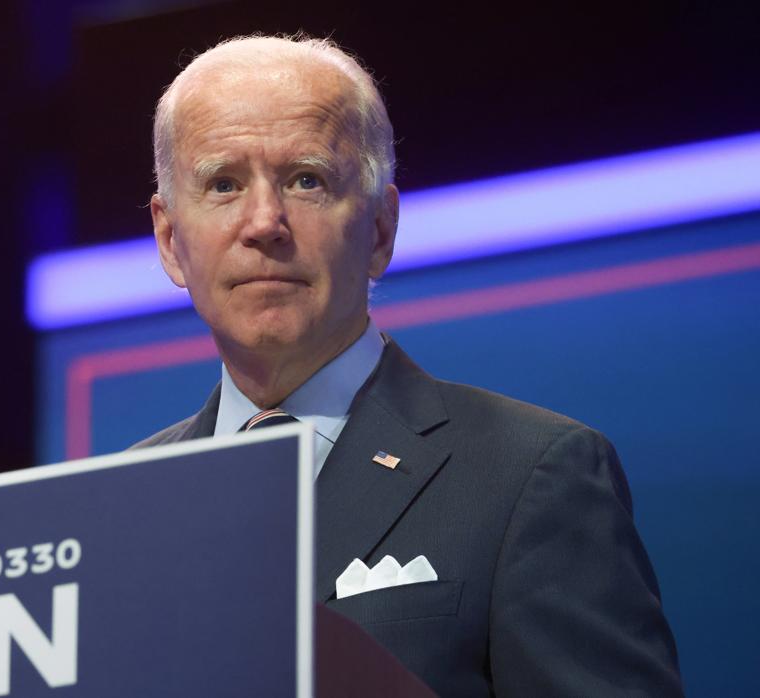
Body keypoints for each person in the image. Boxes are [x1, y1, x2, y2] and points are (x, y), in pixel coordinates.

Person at [133, 34, 682, 696]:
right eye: (223, 183)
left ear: (380, 229)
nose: (265, 222)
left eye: (307, 179)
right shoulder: (121, 509)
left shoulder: (533, 475)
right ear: (170, 240)